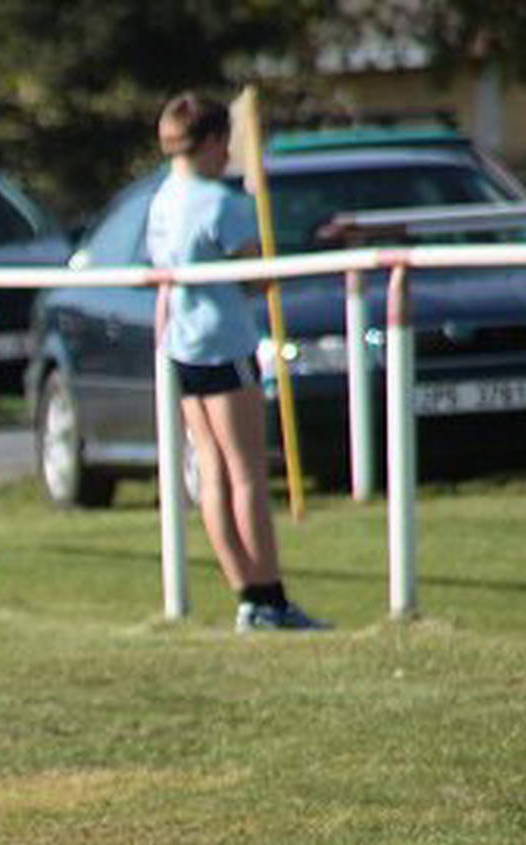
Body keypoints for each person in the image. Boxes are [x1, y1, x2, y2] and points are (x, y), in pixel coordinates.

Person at [147, 92, 327, 632]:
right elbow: (257, 279)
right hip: (223, 344)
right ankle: (268, 597)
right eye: (225, 142)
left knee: (212, 470)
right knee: (245, 472)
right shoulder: (219, 203)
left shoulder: (162, 199)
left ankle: (248, 593)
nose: (229, 153)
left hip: (181, 343)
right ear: (210, 141)